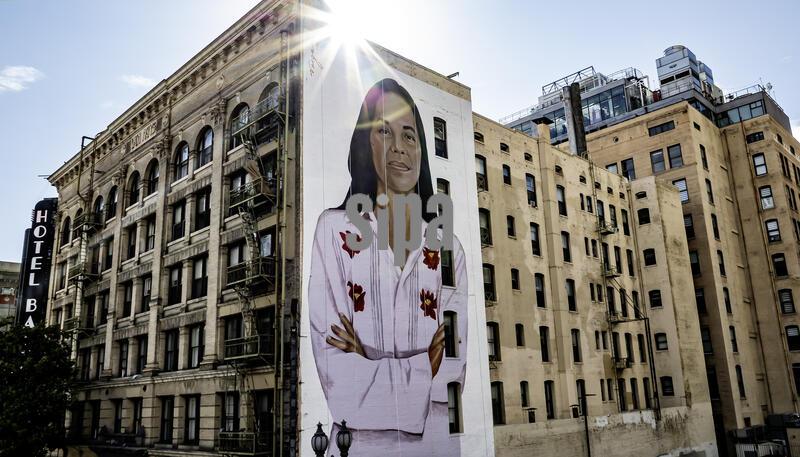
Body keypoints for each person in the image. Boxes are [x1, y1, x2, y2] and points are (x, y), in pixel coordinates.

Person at [309, 78, 468, 456]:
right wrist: (420, 368)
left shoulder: (449, 249)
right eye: (384, 131)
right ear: (367, 143)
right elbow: (341, 385)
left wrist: (369, 362)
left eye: (409, 135)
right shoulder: (334, 231)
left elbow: (451, 375)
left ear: (422, 150)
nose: (399, 147)